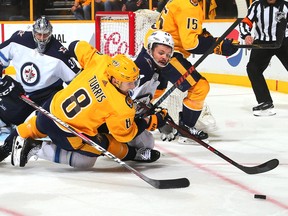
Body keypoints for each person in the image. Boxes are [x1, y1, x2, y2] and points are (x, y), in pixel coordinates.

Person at [10, 41, 168, 168]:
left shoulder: (102, 62)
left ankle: (12, 142)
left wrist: (79, 70)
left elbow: (75, 46)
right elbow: (124, 135)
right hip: (69, 133)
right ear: (116, 80)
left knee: (35, 127)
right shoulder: (120, 105)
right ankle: (35, 148)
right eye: (130, 82)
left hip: (49, 110)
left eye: (135, 81)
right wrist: (151, 121)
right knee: (98, 150)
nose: (133, 86)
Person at [145, 0, 238, 144]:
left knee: (153, 91)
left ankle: (128, 119)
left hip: (153, 49)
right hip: (167, 53)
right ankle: (186, 129)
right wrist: (217, 46)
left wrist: (218, 44)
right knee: (200, 87)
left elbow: (195, 33)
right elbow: (191, 44)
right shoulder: (189, 5)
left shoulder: (181, 2)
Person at [0, 16, 81, 162]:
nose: (42, 38)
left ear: (51, 33)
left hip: (47, 97)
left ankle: (8, 147)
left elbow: (77, 83)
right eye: (39, 34)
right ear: (33, 32)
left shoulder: (60, 54)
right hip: (21, 92)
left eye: (45, 35)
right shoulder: (19, 39)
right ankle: (6, 123)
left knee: (34, 124)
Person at [239, 0, 288, 116]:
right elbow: (246, 21)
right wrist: (246, 35)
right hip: (262, 43)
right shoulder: (256, 5)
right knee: (253, 68)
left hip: (284, 42)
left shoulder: (285, 5)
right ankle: (265, 102)